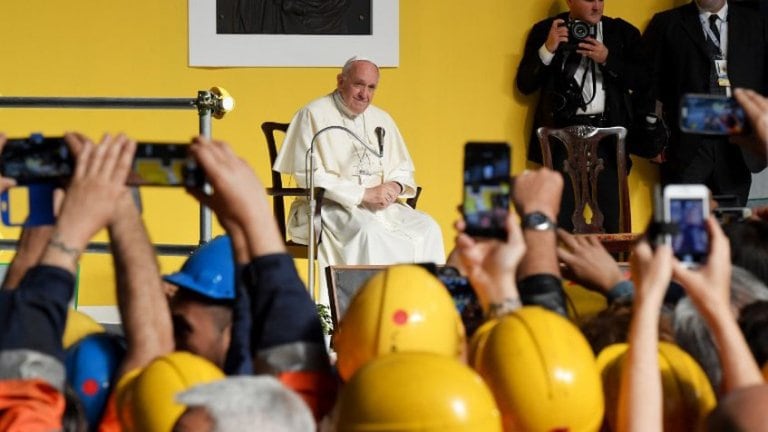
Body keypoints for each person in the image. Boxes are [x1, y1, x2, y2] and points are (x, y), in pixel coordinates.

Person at [273, 56, 446, 307]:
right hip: (330, 205)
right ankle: (368, 316)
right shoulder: (312, 114)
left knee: (429, 227)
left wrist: (394, 187)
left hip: (382, 207)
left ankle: (422, 313)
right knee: (370, 233)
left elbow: (402, 168)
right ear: (341, 81)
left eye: (371, 87)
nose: (365, 94)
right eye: (358, 85)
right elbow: (307, 174)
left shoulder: (382, 119)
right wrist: (362, 194)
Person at [516, 0, 646, 233]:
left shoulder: (622, 32)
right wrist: (548, 49)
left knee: (612, 219)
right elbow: (525, 84)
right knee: (560, 218)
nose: (596, 6)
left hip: (609, 138)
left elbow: (643, 81)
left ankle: (612, 268)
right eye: (588, 0)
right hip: (560, 138)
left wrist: (607, 58)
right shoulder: (547, 30)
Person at [642, 0, 768, 206]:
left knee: (731, 226)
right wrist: (653, 140)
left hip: (737, 145)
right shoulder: (666, 24)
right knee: (685, 229)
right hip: (685, 146)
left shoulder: (756, 23)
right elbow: (646, 84)